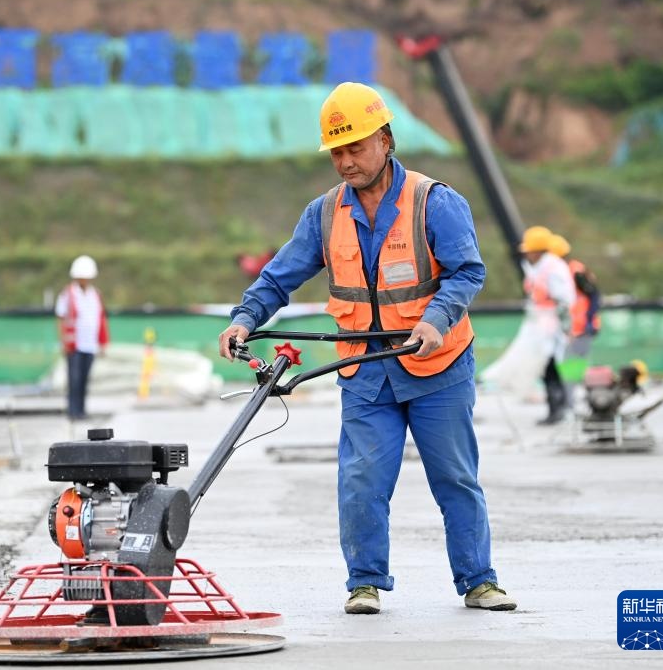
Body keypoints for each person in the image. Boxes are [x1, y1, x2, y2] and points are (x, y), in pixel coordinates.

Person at [217, 82, 516, 615]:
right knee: (361, 480)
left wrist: (435, 319)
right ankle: (365, 582)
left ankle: (479, 580)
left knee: (454, 478)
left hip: (437, 366)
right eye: (337, 151)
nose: (345, 161)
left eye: (355, 147)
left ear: (385, 140)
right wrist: (245, 319)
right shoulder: (325, 214)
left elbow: (468, 271)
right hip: (365, 372)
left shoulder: (434, 201)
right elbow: (280, 276)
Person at [520, 227, 576, 425]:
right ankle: (557, 408)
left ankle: (560, 408)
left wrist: (566, 327)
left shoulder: (553, 268)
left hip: (554, 328)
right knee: (548, 368)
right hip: (543, 327)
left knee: (555, 368)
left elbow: (563, 301)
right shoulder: (539, 268)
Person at [55, 255, 108, 420]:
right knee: (74, 379)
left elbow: (100, 319)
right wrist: (63, 340)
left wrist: (102, 342)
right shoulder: (68, 294)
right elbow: (61, 317)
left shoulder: (95, 295)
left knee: (85, 379)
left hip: (90, 344)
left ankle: (82, 411)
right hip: (74, 344)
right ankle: (73, 410)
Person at [548, 234, 601, 361]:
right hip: (565, 327)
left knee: (574, 364)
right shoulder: (553, 272)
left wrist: (589, 319)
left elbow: (594, 295)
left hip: (581, 327)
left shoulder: (575, 272)